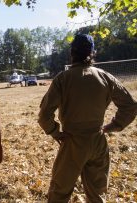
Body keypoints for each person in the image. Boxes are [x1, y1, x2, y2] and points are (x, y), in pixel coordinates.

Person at [38, 34, 137, 202]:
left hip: (72, 142)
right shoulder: (105, 77)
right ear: (92, 53)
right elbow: (130, 105)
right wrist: (113, 126)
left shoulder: (63, 79)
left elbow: (44, 114)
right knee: (97, 194)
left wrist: (55, 132)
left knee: (59, 192)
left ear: (72, 53)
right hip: (98, 142)